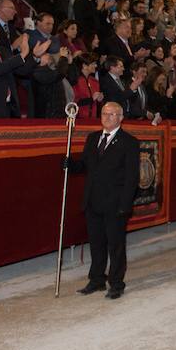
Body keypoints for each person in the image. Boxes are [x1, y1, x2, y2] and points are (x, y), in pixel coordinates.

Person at [63, 101, 141, 300]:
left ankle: (116, 283)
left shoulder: (129, 142)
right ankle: (97, 279)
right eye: (104, 113)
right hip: (93, 201)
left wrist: (125, 204)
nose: (107, 117)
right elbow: (85, 166)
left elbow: (132, 177)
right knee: (96, 244)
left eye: (112, 114)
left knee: (115, 245)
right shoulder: (93, 138)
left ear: (121, 118)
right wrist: (70, 164)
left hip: (115, 204)